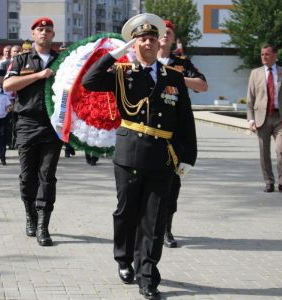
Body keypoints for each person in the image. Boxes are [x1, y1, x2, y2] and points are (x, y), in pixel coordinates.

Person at [82, 13, 197, 300]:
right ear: (135, 44)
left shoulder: (174, 78)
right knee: (126, 212)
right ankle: (123, 258)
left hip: (163, 158)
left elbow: (185, 120)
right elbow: (89, 81)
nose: (147, 42)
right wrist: (115, 54)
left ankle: (148, 277)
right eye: (141, 38)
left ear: (160, 43)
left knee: (154, 219)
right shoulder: (124, 73)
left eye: (152, 38)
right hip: (129, 156)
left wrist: (188, 158)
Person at [3, 17, 62, 247]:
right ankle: (30, 214)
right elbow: (8, 85)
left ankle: (43, 226)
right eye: (40, 30)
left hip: (52, 125)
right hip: (27, 122)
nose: (44, 33)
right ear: (33, 34)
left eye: (48, 30)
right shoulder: (21, 59)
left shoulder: (62, 60)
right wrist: (38, 75)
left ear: (53, 34)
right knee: (28, 176)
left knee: (47, 176)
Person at [157, 19, 208, 248]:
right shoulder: (143, 60)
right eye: (161, 32)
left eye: (169, 32)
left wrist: (176, 78)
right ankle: (149, 226)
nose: (165, 35)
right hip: (148, 131)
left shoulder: (181, 63)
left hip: (175, 132)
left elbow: (202, 85)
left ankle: (166, 229)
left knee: (172, 182)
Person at [247, 44, 282, 193]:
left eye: (267, 54)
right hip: (262, 118)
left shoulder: (281, 72)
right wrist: (251, 119)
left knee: (281, 150)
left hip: (279, 118)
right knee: (264, 152)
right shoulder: (255, 73)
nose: (264, 57)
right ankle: (269, 182)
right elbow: (250, 98)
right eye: (262, 54)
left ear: (275, 56)